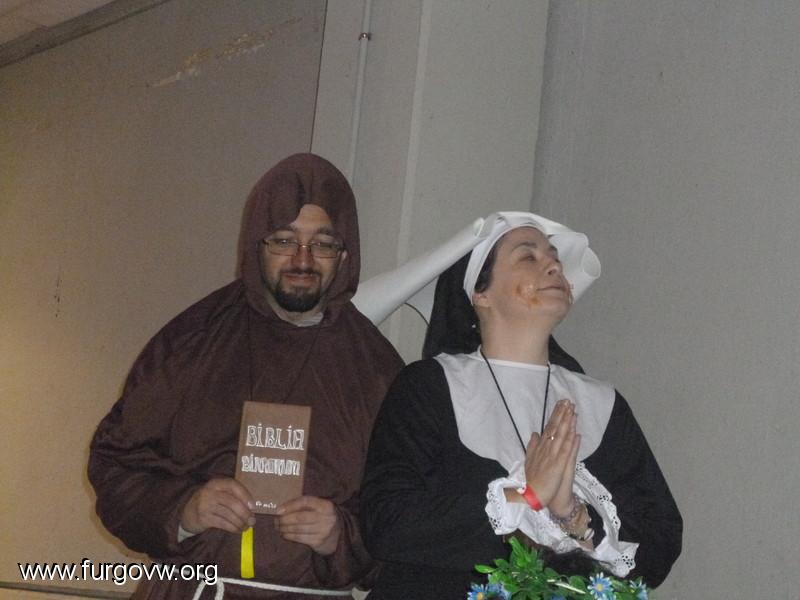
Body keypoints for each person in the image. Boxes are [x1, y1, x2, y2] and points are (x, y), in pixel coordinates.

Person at [88, 153, 404, 600]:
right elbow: (115, 463)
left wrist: (343, 535)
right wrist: (184, 510)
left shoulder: (377, 370)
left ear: (345, 254)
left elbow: (405, 509)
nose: (302, 259)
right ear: (257, 244)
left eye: (322, 244)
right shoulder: (192, 341)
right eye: (284, 240)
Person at [360, 212, 682, 599]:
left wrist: (572, 514)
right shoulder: (428, 387)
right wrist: (526, 497)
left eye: (555, 259)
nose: (554, 267)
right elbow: (387, 521)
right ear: (480, 294)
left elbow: (660, 542)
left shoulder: (602, 403)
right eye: (528, 256)